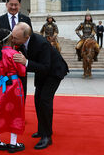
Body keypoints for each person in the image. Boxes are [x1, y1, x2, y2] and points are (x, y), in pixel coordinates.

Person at [13, 22, 69, 150]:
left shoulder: (41, 43)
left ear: (26, 37)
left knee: (45, 101)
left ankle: (47, 137)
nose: (13, 39)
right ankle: (41, 130)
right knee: (37, 100)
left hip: (54, 71)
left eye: (16, 38)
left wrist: (26, 62)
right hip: (41, 72)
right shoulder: (20, 43)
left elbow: (45, 67)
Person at [0, 0, 33, 99]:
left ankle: (20, 107)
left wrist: (31, 59)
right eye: (11, 5)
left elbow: (30, 39)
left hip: (20, 59)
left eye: (16, 5)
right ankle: (3, 108)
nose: (13, 7)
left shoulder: (26, 19)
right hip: (4, 61)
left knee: (21, 87)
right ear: (6, 4)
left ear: (20, 5)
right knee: (4, 87)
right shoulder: (0, 20)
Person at [0, 29, 26, 153]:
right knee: (15, 112)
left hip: (2, 85)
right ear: (10, 38)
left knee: (0, 111)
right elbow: (22, 71)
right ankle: (13, 143)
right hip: (14, 85)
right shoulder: (14, 53)